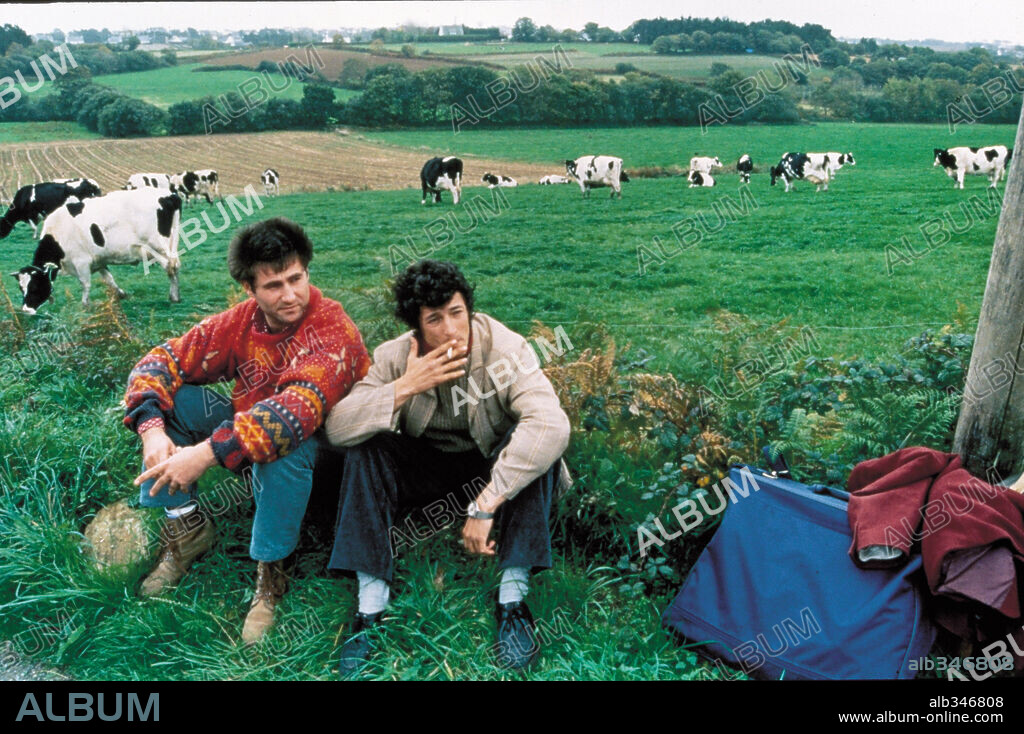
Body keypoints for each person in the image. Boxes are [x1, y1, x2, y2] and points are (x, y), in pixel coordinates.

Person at [124, 217, 370, 643]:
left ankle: (272, 573)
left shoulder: (332, 328)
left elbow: (294, 413)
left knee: (281, 441)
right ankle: (187, 529)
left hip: (334, 472)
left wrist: (202, 455)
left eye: (297, 279)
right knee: (174, 402)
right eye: (274, 285)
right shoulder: (243, 322)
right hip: (250, 446)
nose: (290, 294)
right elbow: (160, 360)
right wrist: (151, 430)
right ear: (250, 289)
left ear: (308, 272)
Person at [325, 259, 571, 675]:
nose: (451, 329)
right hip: (428, 470)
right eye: (434, 319)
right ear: (417, 329)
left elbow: (552, 423)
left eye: (457, 313)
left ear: (469, 310)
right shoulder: (397, 356)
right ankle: (371, 608)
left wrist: (487, 502)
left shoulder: (506, 350)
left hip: (490, 469)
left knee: (534, 448)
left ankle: (513, 600)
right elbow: (338, 428)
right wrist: (406, 386)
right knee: (367, 446)